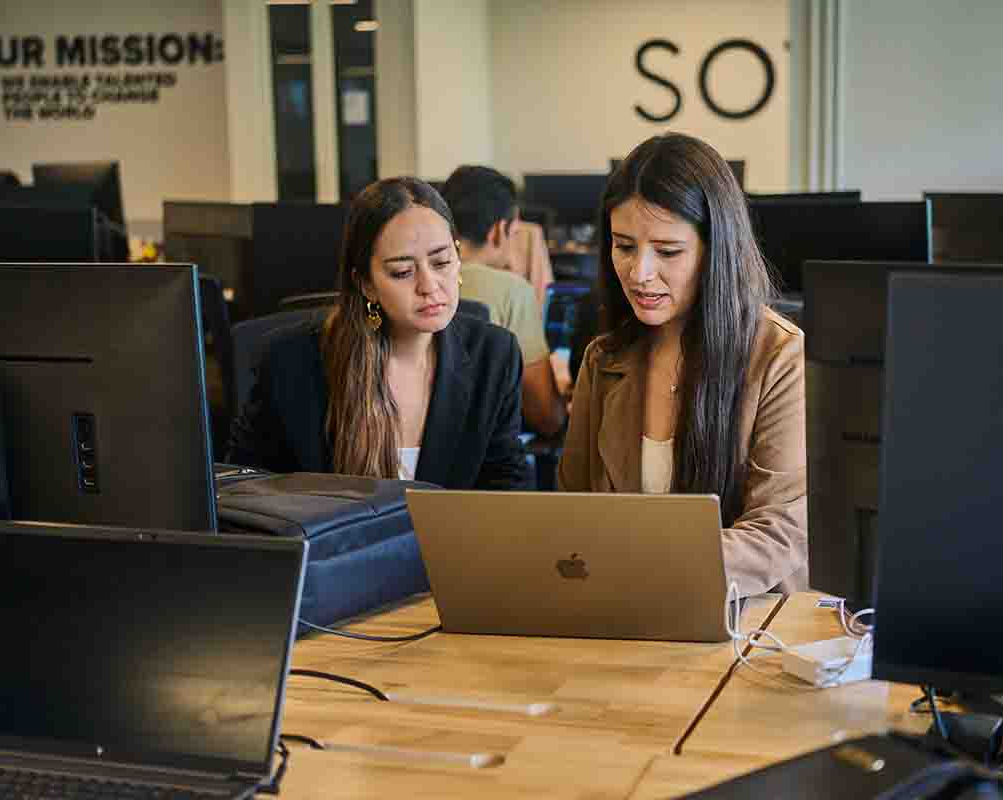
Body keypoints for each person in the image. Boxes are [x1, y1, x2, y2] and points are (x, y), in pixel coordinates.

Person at [556, 133, 807, 596]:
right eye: (624, 247)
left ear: (716, 249)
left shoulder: (779, 356)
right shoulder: (603, 360)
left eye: (668, 251)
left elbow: (777, 534)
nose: (639, 273)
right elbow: (571, 513)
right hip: (619, 610)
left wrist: (640, 562)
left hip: (742, 614)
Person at [227, 177, 533, 490]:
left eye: (441, 262)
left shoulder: (494, 355)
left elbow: (508, 487)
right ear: (365, 284)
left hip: (456, 526)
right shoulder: (290, 364)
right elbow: (241, 487)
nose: (429, 285)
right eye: (403, 272)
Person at [441, 165, 567, 437]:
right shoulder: (512, 292)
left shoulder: (415, 284)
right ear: (499, 231)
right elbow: (546, 417)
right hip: (484, 455)